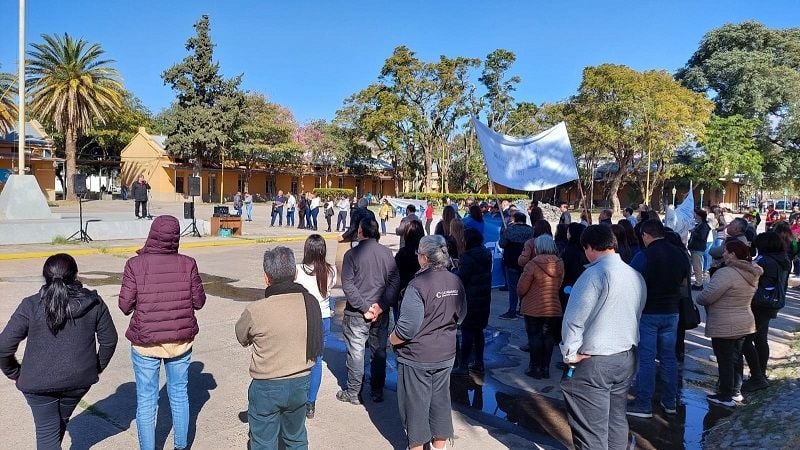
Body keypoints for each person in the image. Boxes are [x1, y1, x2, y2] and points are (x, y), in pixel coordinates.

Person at [0, 254, 118, 449]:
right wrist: (95, 368)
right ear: (76, 275)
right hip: (79, 381)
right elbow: (109, 341)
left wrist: (15, 373)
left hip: (38, 383)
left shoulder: (30, 305)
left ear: (45, 277)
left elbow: (4, 346)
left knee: (48, 435)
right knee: (56, 428)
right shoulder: (94, 303)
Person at [118, 215, 207, 450]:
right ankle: (180, 446)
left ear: (153, 234)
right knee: (179, 396)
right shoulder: (188, 263)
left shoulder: (135, 265)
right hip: (180, 341)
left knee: (146, 402)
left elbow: (124, 306)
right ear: (175, 237)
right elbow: (199, 302)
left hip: (145, 342)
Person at [560, 225, 646, 449]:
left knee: (591, 428)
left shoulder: (594, 274)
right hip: (626, 355)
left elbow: (574, 319)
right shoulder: (634, 274)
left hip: (595, 360)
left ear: (589, 248)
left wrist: (569, 354)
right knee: (615, 419)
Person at [236, 247, 323, 449]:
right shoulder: (310, 302)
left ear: (267, 278)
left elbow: (242, 336)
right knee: (296, 437)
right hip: (301, 382)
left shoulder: (256, 310)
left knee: (264, 442)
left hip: (267, 385)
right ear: (294, 274)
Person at [390, 235, 466, 450]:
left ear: (423, 257)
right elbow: (461, 315)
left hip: (418, 357)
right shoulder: (455, 280)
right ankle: (438, 446)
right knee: (440, 401)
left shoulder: (418, 284)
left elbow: (407, 328)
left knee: (415, 406)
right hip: (446, 353)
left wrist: (391, 339)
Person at [627, 220, 690, 418]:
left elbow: (630, 280)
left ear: (646, 235)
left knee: (646, 359)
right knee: (668, 358)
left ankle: (643, 404)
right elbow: (684, 281)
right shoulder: (680, 254)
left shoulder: (644, 256)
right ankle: (670, 401)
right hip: (672, 311)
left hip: (648, 311)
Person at [338, 217, 400, 405]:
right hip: (377, 312)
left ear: (360, 232)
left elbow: (348, 285)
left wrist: (368, 308)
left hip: (359, 313)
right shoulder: (386, 253)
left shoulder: (352, 254)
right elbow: (395, 282)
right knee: (378, 351)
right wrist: (379, 307)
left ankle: (354, 391)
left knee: (357, 353)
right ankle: (377, 390)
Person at [697, 240, 761, 407]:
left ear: (733, 254)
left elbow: (706, 296)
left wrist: (701, 295)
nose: (723, 254)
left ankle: (725, 395)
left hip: (725, 323)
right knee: (736, 357)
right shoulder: (751, 273)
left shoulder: (726, 273)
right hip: (744, 321)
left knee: (725, 360)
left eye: (725, 251)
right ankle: (735, 391)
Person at [292, 235, 337, 419]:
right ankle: (311, 403)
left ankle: (298, 399)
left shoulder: (297, 271)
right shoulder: (331, 271)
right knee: (317, 362)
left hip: (303, 317)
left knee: (299, 360)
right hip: (324, 319)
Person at [742, 232, 790, 392]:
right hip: (772, 303)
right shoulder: (782, 259)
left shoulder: (765, 261)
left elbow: (750, 276)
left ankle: (757, 377)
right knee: (761, 339)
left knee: (746, 341)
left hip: (760, 304)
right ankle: (760, 374)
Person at [518, 235, 564, 379]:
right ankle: (545, 368)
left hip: (533, 306)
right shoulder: (560, 263)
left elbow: (521, 288)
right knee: (548, 337)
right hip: (553, 306)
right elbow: (560, 284)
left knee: (534, 337)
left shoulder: (532, 264)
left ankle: (535, 367)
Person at [453, 228, 493, 375]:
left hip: (470, 299)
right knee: (478, 332)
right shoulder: (485, 253)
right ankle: (479, 362)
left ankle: (463, 364)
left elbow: (461, 277)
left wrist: (453, 271)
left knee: (467, 331)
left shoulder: (468, 257)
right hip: (483, 297)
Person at [498, 212, 533, 320]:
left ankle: (512, 310)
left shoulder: (510, 230)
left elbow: (502, 244)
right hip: (526, 262)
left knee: (513, 288)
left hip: (511, 261)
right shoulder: (531, 230)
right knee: (524, 286)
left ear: (515, 219)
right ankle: (522, 309)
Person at [395, 221, 426, 305]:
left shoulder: (402, 253)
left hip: (404, 293)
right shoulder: (426, 253)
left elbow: (395, 274)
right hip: (423, 292)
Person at [688, 208, 712, 290]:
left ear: (700, 216)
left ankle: (699, 283)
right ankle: (698, 282)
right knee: (695, 266)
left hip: (698, 248)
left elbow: (702, 237)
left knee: (697, 266)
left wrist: (693, 232)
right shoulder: (699, 225)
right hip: (695, 247)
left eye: (696, 215)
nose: (695, 217)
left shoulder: (704, 226)